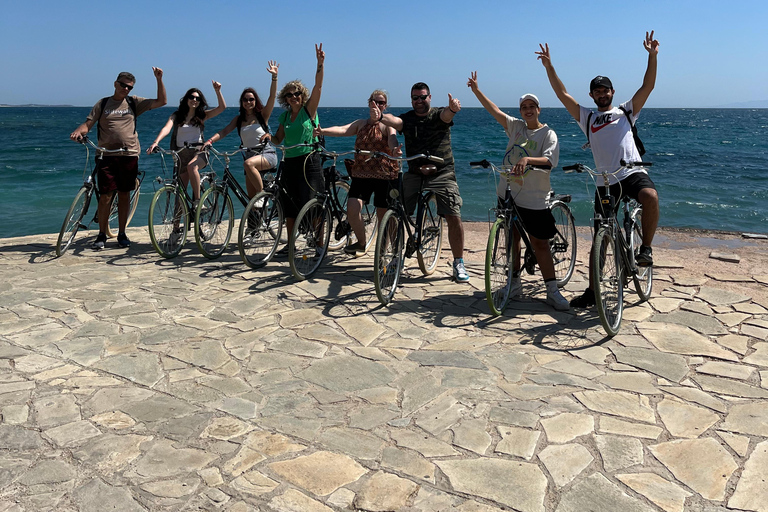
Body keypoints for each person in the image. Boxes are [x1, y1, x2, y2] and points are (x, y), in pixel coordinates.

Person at [537, 31, 660, 308]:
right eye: (597, 90)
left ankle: (646, 248)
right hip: (605, 181)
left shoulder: (626, 111)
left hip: (632, 172)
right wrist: (549, 67)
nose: (602, 94)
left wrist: (652, 56)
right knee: (600, 239)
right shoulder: (587, 117)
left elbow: (648, 86)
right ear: (591, 95)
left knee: (650, 197)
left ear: (612, 92)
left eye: (606, 90)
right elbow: (562, 93)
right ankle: (593, 292)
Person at [467, 71, 569, 310]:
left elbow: (549, 161)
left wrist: (528, 160)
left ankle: (552, 290)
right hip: (508, 192)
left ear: (539, 109)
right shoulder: (516, 127)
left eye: (532, 106)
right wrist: (476, 91)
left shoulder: (547, 133)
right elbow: (494, 112)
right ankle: (514, 283)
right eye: (524, 106)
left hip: (535, 197)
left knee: (540, 243)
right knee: (511, 238)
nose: (528, 109)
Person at [369, 82, 470, 282]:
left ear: (430, 97)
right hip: (415, 173)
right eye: (415, 98)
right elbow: (395, 121)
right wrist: (380, 117)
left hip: (442, 172)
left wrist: (453, 109)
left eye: (423, 97)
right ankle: (397, 257)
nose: (419, 101)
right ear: (411, 100)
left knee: (453, 214)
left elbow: (446, 116)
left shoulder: (438, 114)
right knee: (396, 212)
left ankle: (458, 262)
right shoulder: (407, 119)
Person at [70, 68, 166, 249]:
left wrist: (159, 79)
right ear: (115, 84)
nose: (126, 89)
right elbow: (88, 124)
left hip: (129, 154)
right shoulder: (103, 103)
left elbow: (162, 101)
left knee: (124, 194)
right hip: (106, 155)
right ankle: (101, 234)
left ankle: (122, 233)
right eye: (123, 85)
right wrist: (78, 131)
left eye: (129, 87)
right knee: (105, 196)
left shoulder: (133, 102)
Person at [315, 89, 402, 256]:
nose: (377, 105)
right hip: (361, 174)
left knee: (384, 215)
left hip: (385, 175)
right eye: (374, 101)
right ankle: (361, 243)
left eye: (381, 102)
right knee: (353, 210)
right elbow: (343, 130)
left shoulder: (387, 124)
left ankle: (386, 253)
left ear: (385, 105)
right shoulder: (361, 123)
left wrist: (394, 150)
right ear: (369, 103)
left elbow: (392, 139)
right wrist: (322, 131)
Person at [271, 45, 325, 253]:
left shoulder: (308, 111)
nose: (293, 97)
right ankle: (291, 244)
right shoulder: (285, 117)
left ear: (302, 96)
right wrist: (268, 137)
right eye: (289, 95)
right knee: (290, 205)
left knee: (312, 202)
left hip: (309, 160)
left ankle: (319, 244)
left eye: (297, 94)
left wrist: (320, 64)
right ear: (285, 98)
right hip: (290, 161)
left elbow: (318, 88)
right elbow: (278, 139)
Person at [205, 61, 280, 199]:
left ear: (255, 101)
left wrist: (274, 77)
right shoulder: (238, 120)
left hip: (267, 155)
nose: (248, 102)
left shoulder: (262, 116)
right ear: (242, 102)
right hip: (250, 159)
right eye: (245, 99)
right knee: (252, 202)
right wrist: (210, 141)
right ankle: (258, 218)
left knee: (249, 168)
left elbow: (272, 97)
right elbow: (224, 131)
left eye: (251, 99)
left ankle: (263, 195)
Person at [146, 81, 226, 210]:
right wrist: (156, 142)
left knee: (192, 167)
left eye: (197, 98)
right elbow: (166, 128)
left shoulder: (202, 116)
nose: (194, 100)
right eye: (192, 97)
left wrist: (218, 91)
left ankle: (199, 202)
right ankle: (176, 227)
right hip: (181, 154)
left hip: (199, 152)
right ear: (186, 99)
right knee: (179, 192)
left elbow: (221, 108)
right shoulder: (177, 116)